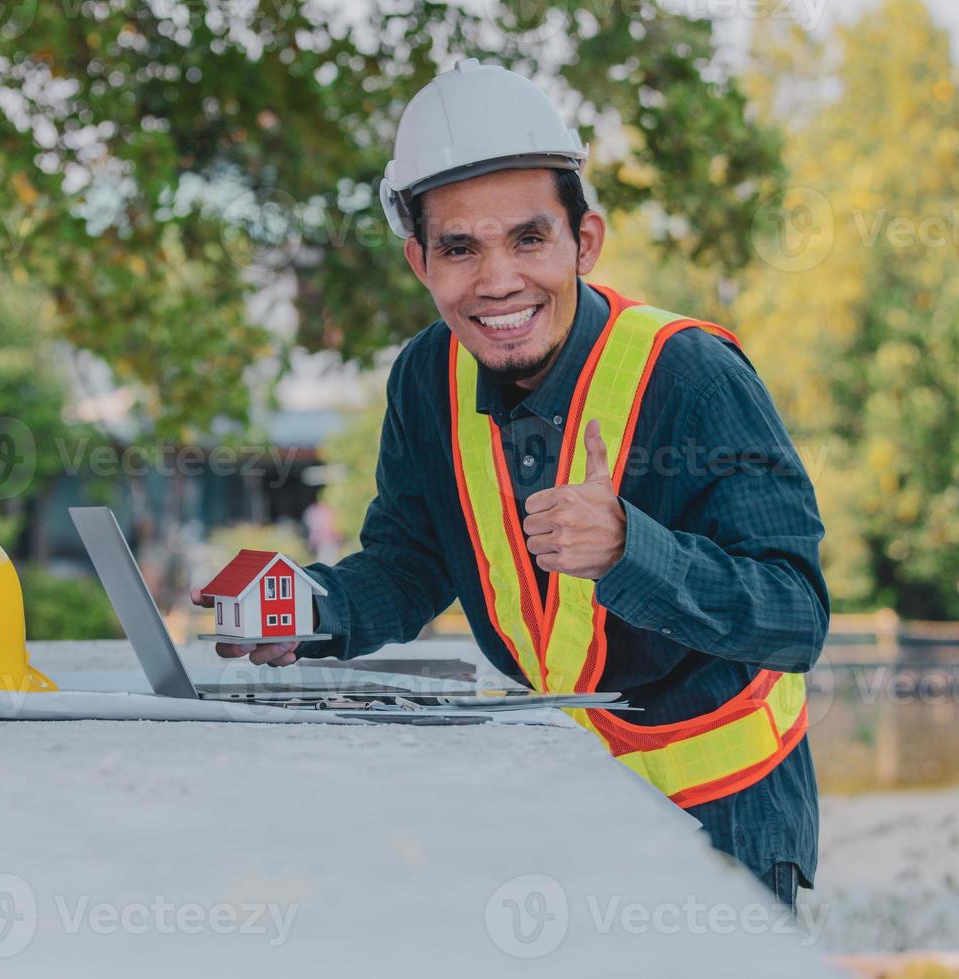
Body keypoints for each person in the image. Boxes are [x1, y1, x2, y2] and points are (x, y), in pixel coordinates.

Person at [192, 58, 828, 910]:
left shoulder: (693, 376)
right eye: (460, 249)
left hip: (724, 824)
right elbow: (410, 565)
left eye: (529, 239)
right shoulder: (427, 378)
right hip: (561, 801)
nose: (497, 281)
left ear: (584, 242)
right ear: (421, 262)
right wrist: (313, 610)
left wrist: (629, 551)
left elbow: (794, 617)